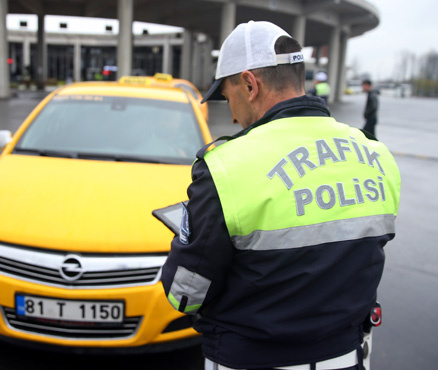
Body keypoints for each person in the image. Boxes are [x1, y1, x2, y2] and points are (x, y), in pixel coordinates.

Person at [160, 20, 401, 370]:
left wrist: (186, 234)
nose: (231, 114)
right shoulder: (377, 155)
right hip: (348, 358)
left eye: (228, 97)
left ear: (249, 84)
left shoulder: (226, 168)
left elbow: (186, 293)